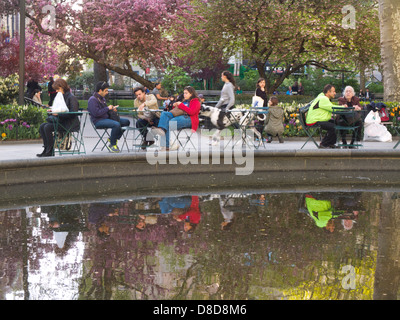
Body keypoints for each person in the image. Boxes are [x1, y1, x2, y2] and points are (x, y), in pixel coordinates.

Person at [306, 84, 361, 149]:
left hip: (319, 119)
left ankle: (331, 143)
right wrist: (343, 107)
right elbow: (332, 108)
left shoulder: (323, 97)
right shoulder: (323, 98)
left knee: (336, 123)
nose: (335, 93)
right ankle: (323, 144)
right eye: (333, 91)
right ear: (328, 92)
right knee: (333, 126)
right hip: (315, 120)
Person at [37, 79, 80, 157]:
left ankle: (50, 151)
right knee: (42, 126)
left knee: (47, 127)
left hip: (69, 123)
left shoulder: (71, 97)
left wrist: (58, 114)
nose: (56, 91)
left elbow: (73, 113)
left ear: (62, 87)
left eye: (57, 89)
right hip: (62, 121)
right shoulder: (61, 96)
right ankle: (46, 149)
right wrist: (53, 110)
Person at [151, 86, 201, 151]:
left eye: (186, 93)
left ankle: (165, 145)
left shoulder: (196, 101)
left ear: (191, 93)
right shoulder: (185, 101)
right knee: (164, 113)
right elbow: (179, 110)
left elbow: (191, 112)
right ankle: (161, 130)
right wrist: (176, 105)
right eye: (184, 93)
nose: (184, 95)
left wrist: (181, 105)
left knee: (169, 123)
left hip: (190, 119)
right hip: (181, 116)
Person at [88, 81, 130, 153]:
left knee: (126, 122)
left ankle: (112, 138)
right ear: (100, 90)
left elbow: (105, 110)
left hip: (107, 118)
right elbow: (96, 113)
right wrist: (108, 108)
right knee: (116, 124)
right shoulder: (92, 100)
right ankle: (112, 144)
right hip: (98, 121)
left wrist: (112, 109)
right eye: (106, 90)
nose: (107, 92)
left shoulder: (102, 99)